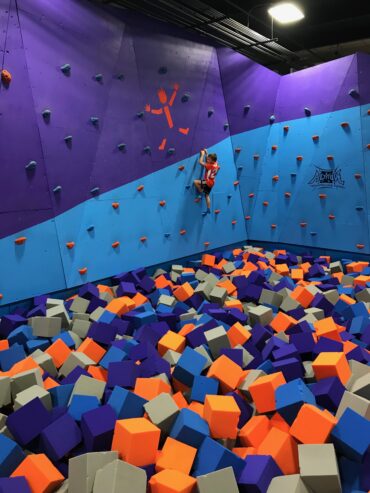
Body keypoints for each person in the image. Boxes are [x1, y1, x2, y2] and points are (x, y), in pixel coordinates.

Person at [193, 149, 220, 215]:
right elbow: (212, 162)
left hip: (207, 182)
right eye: (207, 159)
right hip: (212, 182)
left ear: (212, 161)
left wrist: (202, 154)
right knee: (207, 195)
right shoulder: (216, 164)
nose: (207, 160)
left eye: (208, 159)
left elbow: (200, 162)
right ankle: (208, 209)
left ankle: (201, 192)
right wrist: (207, 153)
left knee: (195, 182)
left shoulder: (209, 166)